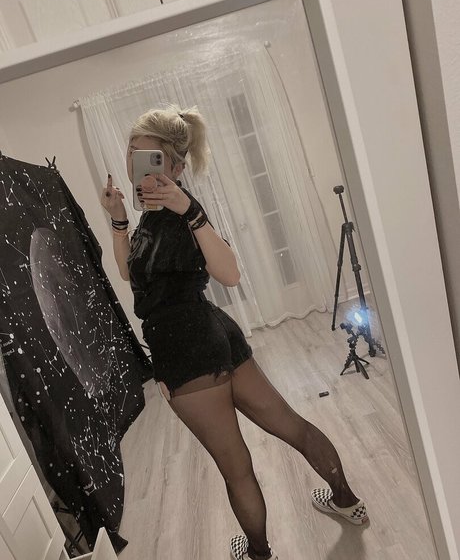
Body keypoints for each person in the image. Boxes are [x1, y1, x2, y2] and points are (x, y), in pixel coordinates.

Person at [100, 105, 368, 560]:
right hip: (212, 335)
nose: (136, 163)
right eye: (132, 152)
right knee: (289, 426)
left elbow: (229, 273)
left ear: (176, 167)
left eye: (150, 157)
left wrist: (190, 210)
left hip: (185, 353)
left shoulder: (182, 212)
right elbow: (130, 273)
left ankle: (260, 555)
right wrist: (119, 219)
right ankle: (347, 502)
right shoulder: (150, 216)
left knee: (237, 468)